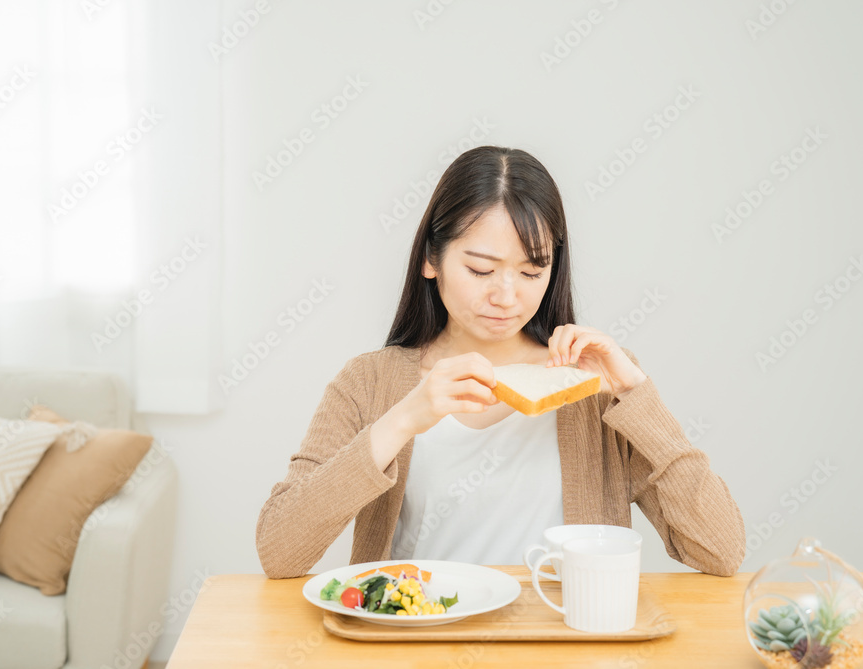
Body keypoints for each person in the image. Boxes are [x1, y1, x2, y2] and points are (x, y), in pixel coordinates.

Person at [255, 145, 745, 579]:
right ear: (431, 258)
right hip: (418, 647)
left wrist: (637, 395)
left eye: (533, 271)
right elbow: (279, 551)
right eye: (480, 269)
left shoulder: (595, 383)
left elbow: (721, 551)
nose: (506, 296)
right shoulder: (369, 381)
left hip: (562, 649)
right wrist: (404, 418)